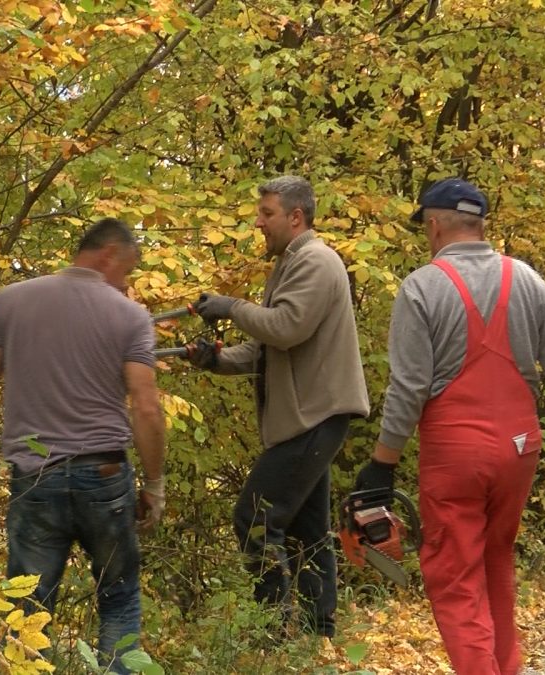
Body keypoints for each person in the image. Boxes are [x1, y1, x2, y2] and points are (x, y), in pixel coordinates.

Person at [354, 178, 545, 675]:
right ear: (481, 224)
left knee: (455, 576)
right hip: (519, 449)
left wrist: (382, 463)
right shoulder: (527, 280)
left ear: (433, 226)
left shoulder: (422, 287)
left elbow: (409, 388)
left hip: (457, 454)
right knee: (496, 562)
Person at [0, 217, 166, 674]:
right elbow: (146, 406)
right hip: (106, 478)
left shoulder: (13, 301)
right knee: (118, 596)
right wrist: (155, 484)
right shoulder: (129, 316)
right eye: (127, 271)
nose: (126, 284)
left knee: (27, 609)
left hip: (35, 478)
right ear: (109, 254)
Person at [186, 175, 370, 638]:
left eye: (266, 214)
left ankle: (272, 632)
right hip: (307, 419)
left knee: (253, 518)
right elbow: (271, 347)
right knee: (306, 532)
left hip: (315, 418)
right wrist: (216, 360)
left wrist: (230, 306)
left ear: (295, 216)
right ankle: (316, 634)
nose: (258, 222)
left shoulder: (315, 261)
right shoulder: (291, 264)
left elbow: (285, 327)